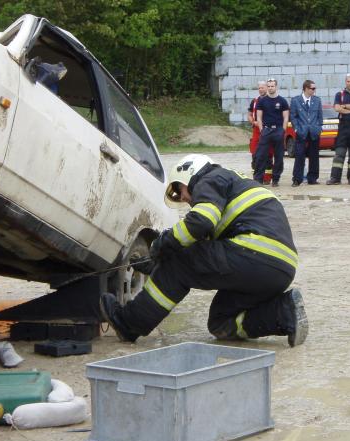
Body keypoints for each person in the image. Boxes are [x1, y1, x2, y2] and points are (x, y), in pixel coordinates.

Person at [99, 154, 308, 347]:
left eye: (178, 191)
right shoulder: (234, 184)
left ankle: (128, 324)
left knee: (178, 266)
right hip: (280, 268)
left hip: (253, 252)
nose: (184, 199)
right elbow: (202, 250)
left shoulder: (209, 179)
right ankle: (284, 312)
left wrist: (162, 243)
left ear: (188, 174)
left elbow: (200, 223)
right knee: (220, 322)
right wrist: (158, 262)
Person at [326, 74, 350, 185]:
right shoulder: (339, 94)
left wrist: (345, 106)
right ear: (345, 81)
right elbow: (337, 108)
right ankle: (335, 178)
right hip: (343, 128)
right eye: (348, 81)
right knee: (339, 155)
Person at [254, 78, 290, 187]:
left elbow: (286, 117)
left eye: (272, 86)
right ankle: (258, 179)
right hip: (266, 130)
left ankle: (275, 179)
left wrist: (283, 131)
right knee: (260, 156)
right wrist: (262, 130)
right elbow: (259, 117)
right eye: (268, 86)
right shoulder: (262, 101)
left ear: (276, 87)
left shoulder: (282, 101)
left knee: (278, 156)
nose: (270, 88)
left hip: (278, 130)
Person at [290, 80, 323, 186]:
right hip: (301, 131)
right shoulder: (296, 100)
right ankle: (297, 179)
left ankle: (312, 178)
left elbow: (320, 116)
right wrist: (297, 129)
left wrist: (318, 128)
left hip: (314, 131)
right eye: (312, 88)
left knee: (314, 155)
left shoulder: (317, 100)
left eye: (314, 88)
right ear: (306, 89)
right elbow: (293, 116)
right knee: (299, 155)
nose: (314, 90)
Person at [248, 81, 273, 185]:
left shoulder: (272, 101)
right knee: (255, 155)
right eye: (259, 88)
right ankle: (256, 177)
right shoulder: (254, 101)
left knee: (268, 156)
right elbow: (249, 114)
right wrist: (253, 121)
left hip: (267, 131)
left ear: (267, 88)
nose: (260, 89)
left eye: (262, 88)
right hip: (256, 132)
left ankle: (267, 178)